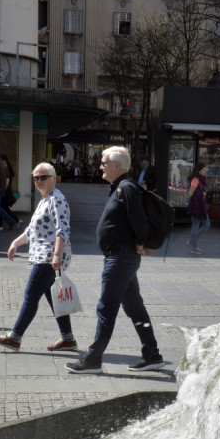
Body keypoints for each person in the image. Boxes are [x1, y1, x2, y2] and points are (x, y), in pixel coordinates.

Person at [66, 146, 165, 374]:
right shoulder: (121, 187)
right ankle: (152, 354)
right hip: (121, 258)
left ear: (117, 165)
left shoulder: (127, 187)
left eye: (104, 162)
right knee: (135, 308)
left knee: (106, 308)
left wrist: (141, 242)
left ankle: (93, 359)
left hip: (121, 258)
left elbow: (139, 220)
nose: (100, 166)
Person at [0, 162, 77, 352]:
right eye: (36, 177)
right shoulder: (45, 199)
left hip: (48, 257)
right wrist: (15, 243)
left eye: (43, 177)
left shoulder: (57, 200)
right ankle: (68, 338)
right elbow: (31, 230)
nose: (38, 181)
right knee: (52, 297)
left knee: (30, 295)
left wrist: (57, 255)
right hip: (44, 255)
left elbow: (63, 230)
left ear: (53, 179)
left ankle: (15, 337)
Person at [187, 162, 210, 255]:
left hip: (201, 206)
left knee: (207, 224)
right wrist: (202, 194)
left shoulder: (202, 179)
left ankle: (193, 240)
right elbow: (190, 194)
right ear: (199, 171)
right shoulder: (196, 180)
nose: (205, 171)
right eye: (204, 169)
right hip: (196, 206)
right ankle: (194, 247)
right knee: (196, 225)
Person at [0, 153, 21, 228]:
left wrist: (3, 190)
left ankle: (15, 220)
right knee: (3, 208)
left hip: (6, 192)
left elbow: (7, 180)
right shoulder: (6, 168)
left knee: (2, 207)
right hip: (7, 191)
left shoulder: (6, 168)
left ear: (4, 161)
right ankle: (0, 224)